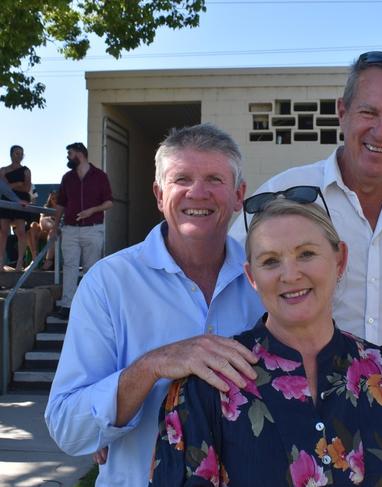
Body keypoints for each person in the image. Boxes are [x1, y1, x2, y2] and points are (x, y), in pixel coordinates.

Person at [151, 197, 382, 487]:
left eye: (307, 254)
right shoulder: (209, 384)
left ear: (340, 261)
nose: (290, 274)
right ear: (251, 277)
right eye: (271, 261)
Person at [45, 124, 266, 486]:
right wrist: (150, 367)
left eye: (214, 178)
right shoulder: (108, 284)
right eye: (182, 178)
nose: (198, 192)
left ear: (239, 195)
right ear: (159, 194)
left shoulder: (268, 282)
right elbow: (69, 430)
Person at [231, 51, 382, 363]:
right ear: (342, 111)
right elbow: (227, 282)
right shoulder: (280, 196)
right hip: (297, 403)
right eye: (368, 113)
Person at [51, 142, 113, 319]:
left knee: (91, 269)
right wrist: (55, 227)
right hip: (70, 229)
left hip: (93, 229)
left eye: (69, 153)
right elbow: (61, 204)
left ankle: (89, 307)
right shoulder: (67, 178)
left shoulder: (100, 176)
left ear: (80, 153)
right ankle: (67, 305)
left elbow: (109, 202)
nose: (68, 157)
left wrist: (92, 210)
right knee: (69, 266)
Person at [0, 145, 32, 271]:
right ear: (12, 154)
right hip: (6, 202)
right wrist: (18, 183)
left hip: (21, 202)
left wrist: (12, 185)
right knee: (3, 232)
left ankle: (20, 262)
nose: (19, 155)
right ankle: (1, 261)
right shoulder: (3, 170)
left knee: (20, 232)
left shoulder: (26, 170)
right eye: (17, 153)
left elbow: (26, 188)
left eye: (21, 153)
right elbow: (3, 187)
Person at [26, 191, 58, 270]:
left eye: (56, 198)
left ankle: (43, 260)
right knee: (33, 226)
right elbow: (41, 222)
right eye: (52, 198)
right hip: (44, 230)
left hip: (53, 230)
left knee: (51, 229)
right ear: (50, 200)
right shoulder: (46, 208)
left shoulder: (62, 209)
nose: (54, 200)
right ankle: (34, 257)